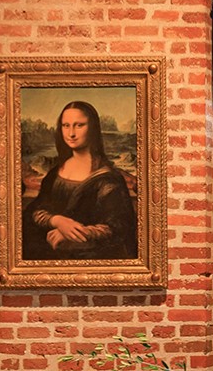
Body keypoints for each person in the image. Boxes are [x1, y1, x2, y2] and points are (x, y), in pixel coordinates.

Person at [21, 100, 139, 260]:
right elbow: (35, 211)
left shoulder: (109, 179)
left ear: (93, 129)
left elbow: (118, 228)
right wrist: (57, 221)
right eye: (66, 125)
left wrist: (74, 234)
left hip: (93, 259)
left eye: (79, 125)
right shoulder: (55, 173)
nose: (71, 133)